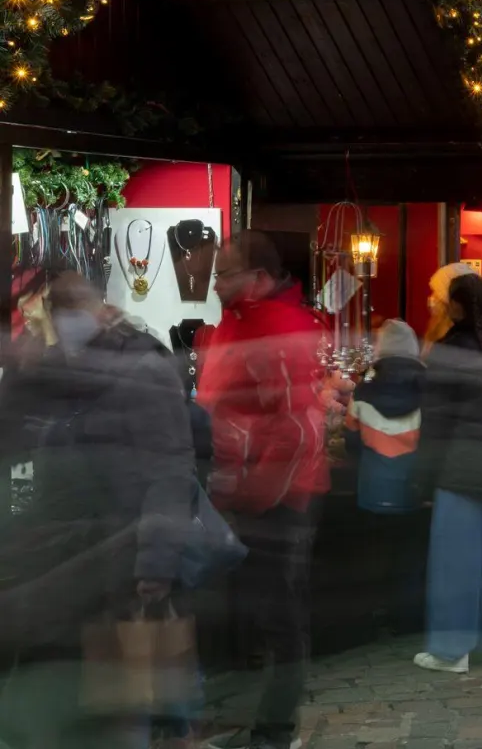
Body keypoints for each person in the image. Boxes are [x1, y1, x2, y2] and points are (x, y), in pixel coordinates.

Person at [0, 270, 194, 749]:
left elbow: (169, 470)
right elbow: (16, 445)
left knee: (117, 712)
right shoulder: (50, 370)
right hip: (52, 572)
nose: (60, 322)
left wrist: (156, 562)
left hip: (116, 567)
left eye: (68, 310)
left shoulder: (141, 366)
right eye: (52, 312)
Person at [199, 233, 328, 749]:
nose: (215, 283)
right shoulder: (241, 323)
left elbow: (298, 430)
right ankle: (261, 723)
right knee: (255, 612)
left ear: (257, 278)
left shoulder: (274, 328)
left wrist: (251, 491)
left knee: (279, 617)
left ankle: (276, 732)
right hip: (247, 494)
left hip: (278, 500)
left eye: (224, 273)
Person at [412, 271, 482, 673]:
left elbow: (435, 423)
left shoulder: (448, 352)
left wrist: (422, 478)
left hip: (460, 467)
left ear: (455, 306)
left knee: (454, 562)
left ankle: (451, 650)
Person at [344, 320, 428, 633]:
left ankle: (373, 616)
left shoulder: (363, 391)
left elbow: (350, 438)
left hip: (373, 488)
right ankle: (406, 619)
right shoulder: (427, 390)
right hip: (413, 488)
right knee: (410, 555)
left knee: (374, 552)